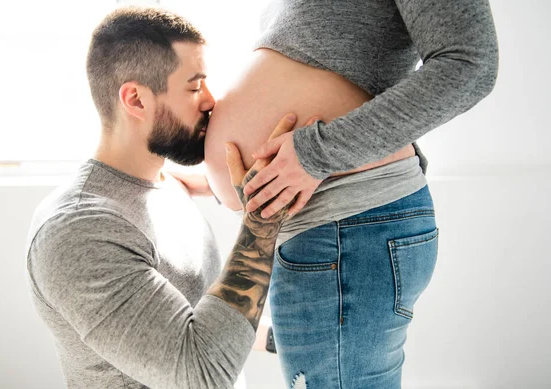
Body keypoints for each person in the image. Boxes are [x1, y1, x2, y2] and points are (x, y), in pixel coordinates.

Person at [200, 0, 500, 388]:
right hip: (334, 231)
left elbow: (470, 65)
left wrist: (314, 153)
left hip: (348, 227)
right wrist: (221, 178)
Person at [25, 7, 297, 389]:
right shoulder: (78, 230)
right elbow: (199, 373)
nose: (210, 101)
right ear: (135, 99)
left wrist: (293, 341)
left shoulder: (167, 187)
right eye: (194, 86)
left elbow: (199, 323)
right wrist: (261, 224)